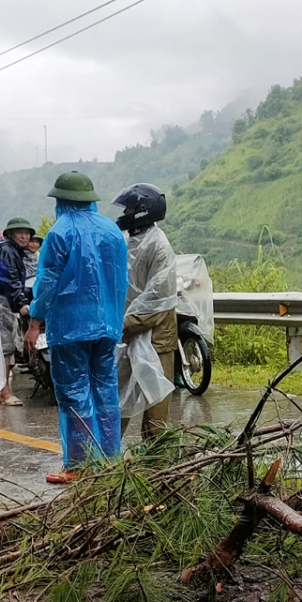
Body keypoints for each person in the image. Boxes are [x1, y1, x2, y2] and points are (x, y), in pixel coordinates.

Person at [24, 171, 128, 484]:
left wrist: (34, 321)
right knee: (106, 391)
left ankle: (80, 465)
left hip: (70, 328)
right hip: (106, 325)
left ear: (62, 201)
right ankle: (110, 460)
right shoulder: (111, 231)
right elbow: (121, 279)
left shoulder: (60, 233)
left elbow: (48, 283)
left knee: (74, 394)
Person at [113, 183, 177, 441]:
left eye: (129, 208)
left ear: (142, 210)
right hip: (129, 332)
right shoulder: (132, 242)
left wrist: (127, 325)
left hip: (156, 337)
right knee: (118, 398)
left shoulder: (159, 246)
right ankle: (107, 452)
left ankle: (155, 461)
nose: (125, 212)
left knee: (155, 404)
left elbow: (158, 298)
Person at [0, 217, 35, 406]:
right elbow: (9, 279)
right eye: (19, 232)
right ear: (10, 234)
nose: (24, 236)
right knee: (4, 348)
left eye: (27, 233)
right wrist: (21, 303)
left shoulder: (13, 251)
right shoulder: (6, 250)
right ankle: (4, 393)